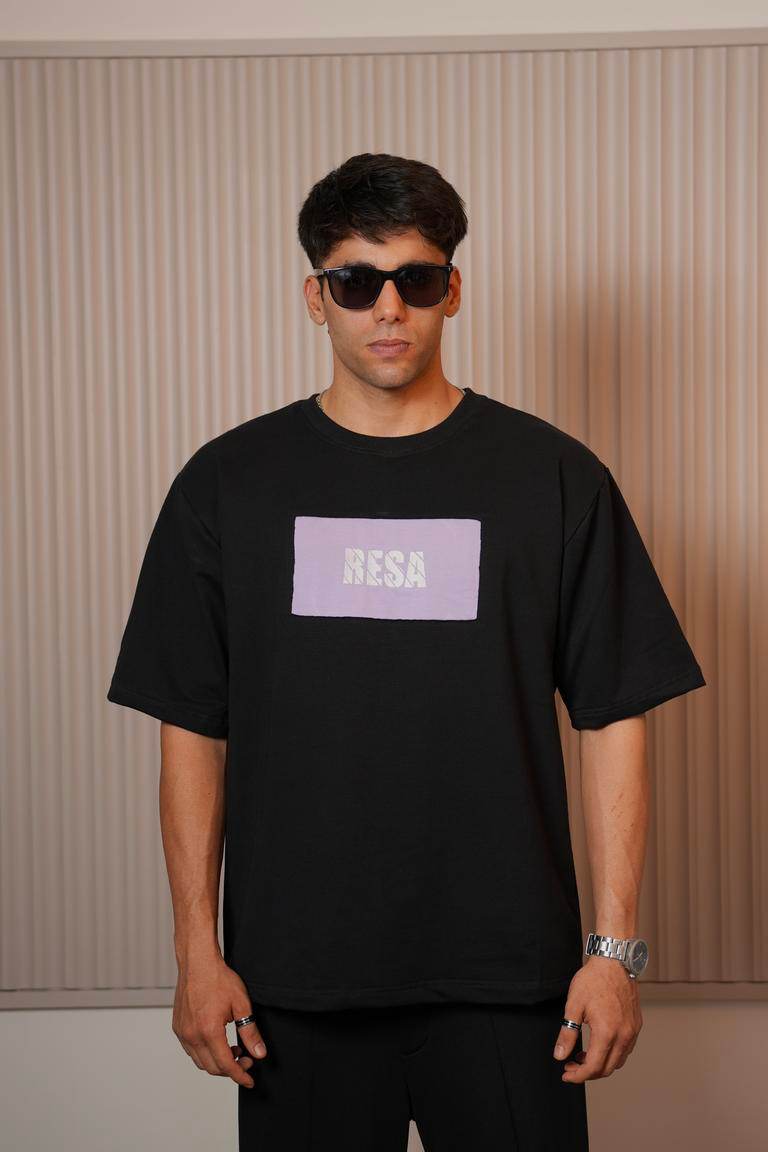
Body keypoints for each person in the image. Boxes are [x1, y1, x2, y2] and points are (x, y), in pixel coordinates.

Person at [106, 152, 706, 1151]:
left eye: (416, 280)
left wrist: (613, 953)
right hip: (297, 985)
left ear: (451, 291)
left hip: (512, 982)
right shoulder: (228, 486)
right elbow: (192, 729)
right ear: (316, 298)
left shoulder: (553, 478)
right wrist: (195, 955)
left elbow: (613, 717)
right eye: (355, 281)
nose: (388, 308)